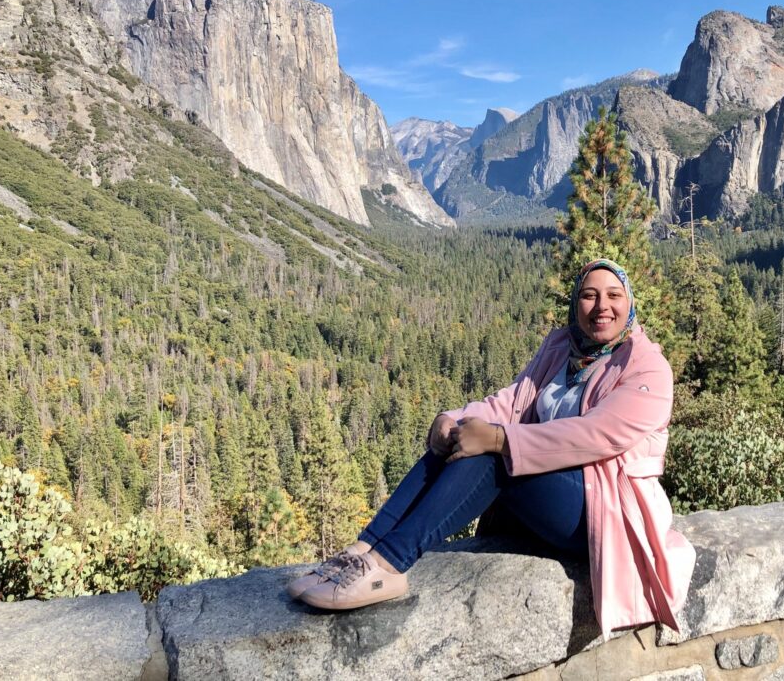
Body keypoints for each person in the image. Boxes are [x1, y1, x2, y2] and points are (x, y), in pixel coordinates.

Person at [287, 258, 695, 636]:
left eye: (613, 295)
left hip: (605, 512)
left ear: (629, 303)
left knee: (496, 458)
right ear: (576, 302)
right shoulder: (562, 348)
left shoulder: (647, 368)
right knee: (457, 442)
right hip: (559, 494)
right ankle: (363, 549)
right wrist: (454, 418)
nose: (600, 305)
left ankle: (389, 564)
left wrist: (500, 439)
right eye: (589, 295)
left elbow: (595, 435)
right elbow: (512, 402)